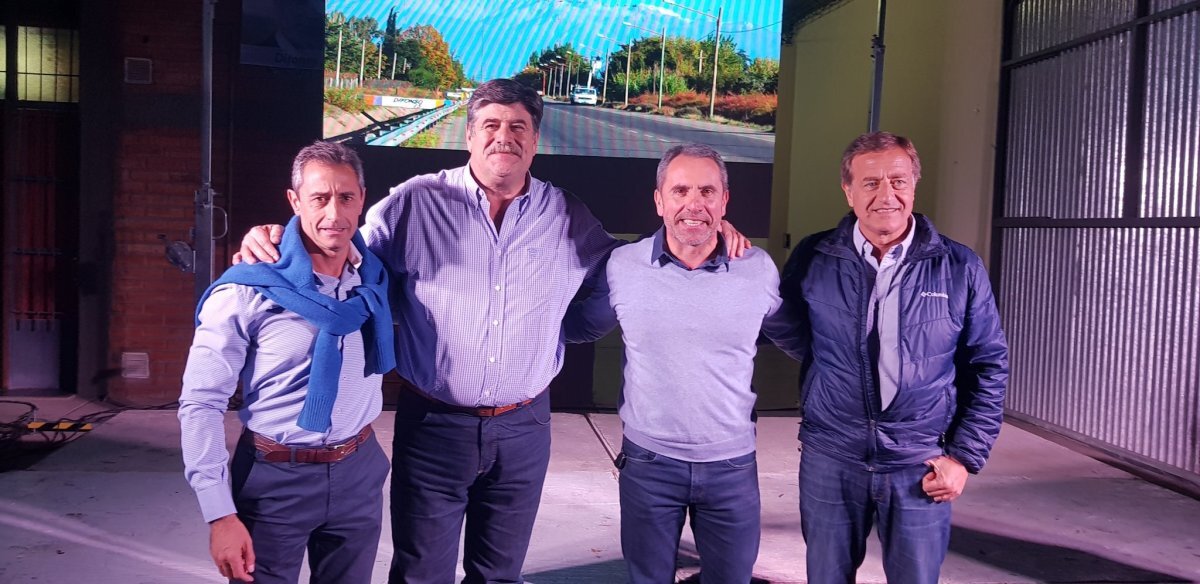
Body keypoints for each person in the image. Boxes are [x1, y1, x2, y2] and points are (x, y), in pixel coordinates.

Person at [235, 79, 751, 584]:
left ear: (535, 139)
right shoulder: (415, 202)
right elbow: (339, 248)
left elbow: (628, 267)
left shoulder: (566, 214)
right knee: (421, 574)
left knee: (500, 573)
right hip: (434, 426)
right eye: (490, 125)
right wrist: (277, 237)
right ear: (469, 135)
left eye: (518, 126)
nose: (504, 136)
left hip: (524, 429)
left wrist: (700, 227)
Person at [567, 143, 806, 583]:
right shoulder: (624, 266)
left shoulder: (757, 269)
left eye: (707, 192)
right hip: (649, 465)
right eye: (680, 191)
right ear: (659, 201)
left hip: (731, 467)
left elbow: (799, 339)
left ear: (724, 201)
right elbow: (581, 326)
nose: (694, 204)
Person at [779, 131, 1009, 583]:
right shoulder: (814, 256)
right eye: (870, 183)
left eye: (898, 181)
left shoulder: (959, 266)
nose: (886, 195)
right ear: (848, 191)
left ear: (914, 185)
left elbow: (988, 366)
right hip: (832, 456)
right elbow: (792, 331)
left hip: (919, 462)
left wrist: (964, 457)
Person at [179, 141, 395, 583]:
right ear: (295, 201)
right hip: (274, 479)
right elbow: (201, 403)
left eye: (345, 197)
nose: (334, 213)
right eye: (319, 198)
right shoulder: (247, 288)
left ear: (362, 199)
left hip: (358, 472)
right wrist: (219, 514)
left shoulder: (373, 277)